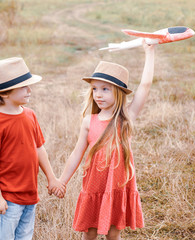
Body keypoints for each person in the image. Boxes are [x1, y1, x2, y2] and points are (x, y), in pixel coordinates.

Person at [53, 41, 155, 240]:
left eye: (105, 89)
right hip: (94, 185)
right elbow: (76, 153)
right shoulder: (88, 121)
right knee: (89, 232)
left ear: (118, 92)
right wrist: (62, 181)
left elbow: (146, 85)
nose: (98, 94)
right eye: (95, 89)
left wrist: (149, 52)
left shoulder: (126, 118)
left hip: (116, 185)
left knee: (113, 233)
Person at [0, 57, 65, 240]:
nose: (30, 90)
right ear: (4, 93)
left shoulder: (30, 115)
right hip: (8, 197)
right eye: (23, 87)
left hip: (30, 193)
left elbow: (39, 148)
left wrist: (52, 178)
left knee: (25, 236)